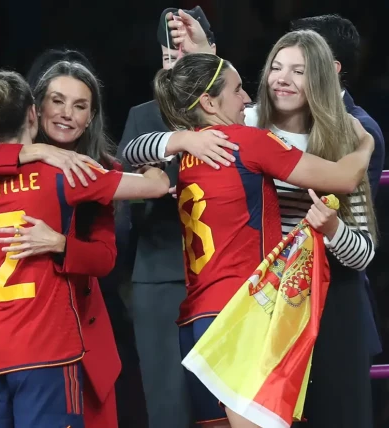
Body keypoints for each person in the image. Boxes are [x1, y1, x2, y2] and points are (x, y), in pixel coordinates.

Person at [0, 69, 170, 428]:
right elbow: (155, 187)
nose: (66, 113)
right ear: (33, 112)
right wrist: (155, 167)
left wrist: (59, 242)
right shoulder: (68, 174)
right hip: (48, 349)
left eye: (79, 105)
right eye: (57, 101)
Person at [151, 49, 375, 428]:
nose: (247, 99)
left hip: (195, 320)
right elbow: (344, 178)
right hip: (241, 314)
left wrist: (176, 141)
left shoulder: (187, 149)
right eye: (238, 90)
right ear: (208, 101)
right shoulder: (246, 140)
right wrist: (366, 142)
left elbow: (134, 148)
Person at [116, 7, 238, 428]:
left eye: (190, 57)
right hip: (162, 269)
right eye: (171, 60)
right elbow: (126, 171)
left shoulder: (239, 110)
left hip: (228, 274)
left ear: (212, 55)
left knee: (231, 400)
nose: (179, 71)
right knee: (167, 402)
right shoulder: (143, 116)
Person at [289, 13, 385, 358]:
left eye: (302, 60)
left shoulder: (359, 131)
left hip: (333, 293)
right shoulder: (277, 119)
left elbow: (356, 229)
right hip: (283, 294)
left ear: (331, 67)